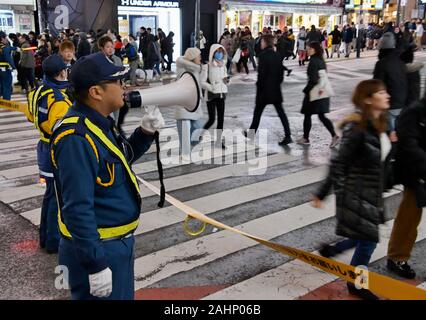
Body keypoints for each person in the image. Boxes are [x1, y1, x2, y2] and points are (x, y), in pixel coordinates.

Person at [51, 52, 165, 300]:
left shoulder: (99, 123)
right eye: (117, 82)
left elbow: (116, 163)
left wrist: (144, 133)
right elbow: (77, 208)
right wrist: (96, 263)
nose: (124, 86)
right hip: (98, 250)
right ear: (96, 92)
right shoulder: (75, 138)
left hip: (115, 245)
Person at [312, 79, 393, 300]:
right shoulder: (356, 128)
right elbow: (338, 162)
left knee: (364, 235)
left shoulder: (381, 123)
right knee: (369, 240)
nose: (387, 95)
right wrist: (322, 193)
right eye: (381, 92)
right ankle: (356, 285)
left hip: (371, 193)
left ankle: (332, 251)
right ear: (368, 99)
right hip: (355, 193)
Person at [26, 54, 72, 253]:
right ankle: (53, 241)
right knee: (57, 197)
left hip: (43, 146)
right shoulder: (60, 100)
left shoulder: (36, 92)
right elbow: (63, 132)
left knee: (50, 195)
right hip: (55, 150)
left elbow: (31, 116)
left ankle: (45, 236)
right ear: (61, 72)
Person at [386, 96, 426, 280]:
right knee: (409, 217)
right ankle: (397, 257)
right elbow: (408, 144)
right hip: (416, 174)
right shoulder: (414, 111)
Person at [244, 34, 292, 146]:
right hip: (275, 90)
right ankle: (288, 135)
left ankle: (251, 133)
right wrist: (276, 84)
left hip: (264, 91)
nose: (261, 44)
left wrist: (259, 86)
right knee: (281, 113)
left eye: (261, 42)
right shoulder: (277, 55)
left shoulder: (263, 56)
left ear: (265, 43)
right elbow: (281, 74)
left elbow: (261, 75)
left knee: (258, 113)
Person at [297, 42, 339, 147]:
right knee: (321, 115)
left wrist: (307, 90)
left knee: (308, 114)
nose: (308, 50)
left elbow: (314, 79)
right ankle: (334, 135)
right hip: (323, 90)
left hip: (315, 91)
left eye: (310, 48)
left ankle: (306, 138)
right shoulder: (321, 60)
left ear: (314, 49)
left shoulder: (313, 61)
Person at [174, 48, 205, 159]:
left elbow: (200, 84)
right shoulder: (183, 67)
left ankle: (189, 146)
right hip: (183, 104)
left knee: (198, 128)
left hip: (195, 104)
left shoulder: (197, 69)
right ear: (192, 57)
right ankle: (185, 154)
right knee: (184, 131)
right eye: (198, 56)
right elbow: (180, 60)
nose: (200, 58)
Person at [373, 33, 407, 131]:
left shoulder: (381, 64)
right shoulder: (400, 62)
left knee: (387, 135)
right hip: (401, 103)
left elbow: (377, 85)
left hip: (388, 105)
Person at [201, 44, 228, 149]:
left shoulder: (223, 65)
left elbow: (225, 78)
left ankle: (218, 141)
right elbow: (202, 82)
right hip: (211, 95)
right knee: (212, 119)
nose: (220, 54)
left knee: (221, 119)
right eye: (218, 51)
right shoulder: (207, 66)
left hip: (221, 94)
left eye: (221, 52)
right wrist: (211, 87)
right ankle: (200, 133)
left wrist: (227, 80)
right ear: (213, 53)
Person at [0, 32, 16, 100]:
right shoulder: (5, 48)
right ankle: (6, 101)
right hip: (4, 69)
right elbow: (8, 59)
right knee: (6, 84)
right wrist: (14, 68)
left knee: (0, 84)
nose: (6, 39)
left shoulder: (4, 47)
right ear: (2, 39)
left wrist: (15, 48)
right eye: (5, 37)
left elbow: (10, 48)